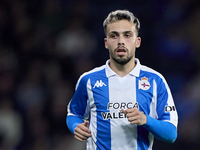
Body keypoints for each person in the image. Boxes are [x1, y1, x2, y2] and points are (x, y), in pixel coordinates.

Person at [66, 10, 178, 150]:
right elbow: (74, 114)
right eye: (114, 36)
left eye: (127, 35)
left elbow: (171, 133)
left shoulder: (155, 81)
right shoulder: (88, 80)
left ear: (138, 42)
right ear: (106, 43)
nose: (120, 41)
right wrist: (76, 126)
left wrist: (145, 120)